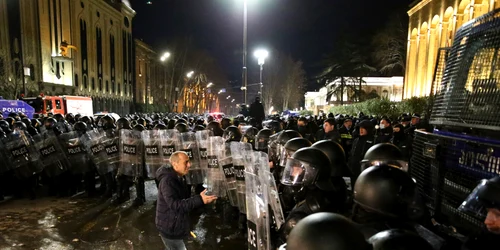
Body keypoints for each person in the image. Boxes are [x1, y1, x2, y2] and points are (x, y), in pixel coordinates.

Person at [156, 151, 217, 250]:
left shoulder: (178, 177)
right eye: (186, 162)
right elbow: (176, 205)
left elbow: (183, 200)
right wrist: (199, 199)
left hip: (174, 226)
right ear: (175, 164)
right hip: (169, 229)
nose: (189, 165)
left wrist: (199, 198)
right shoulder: (168, 181)